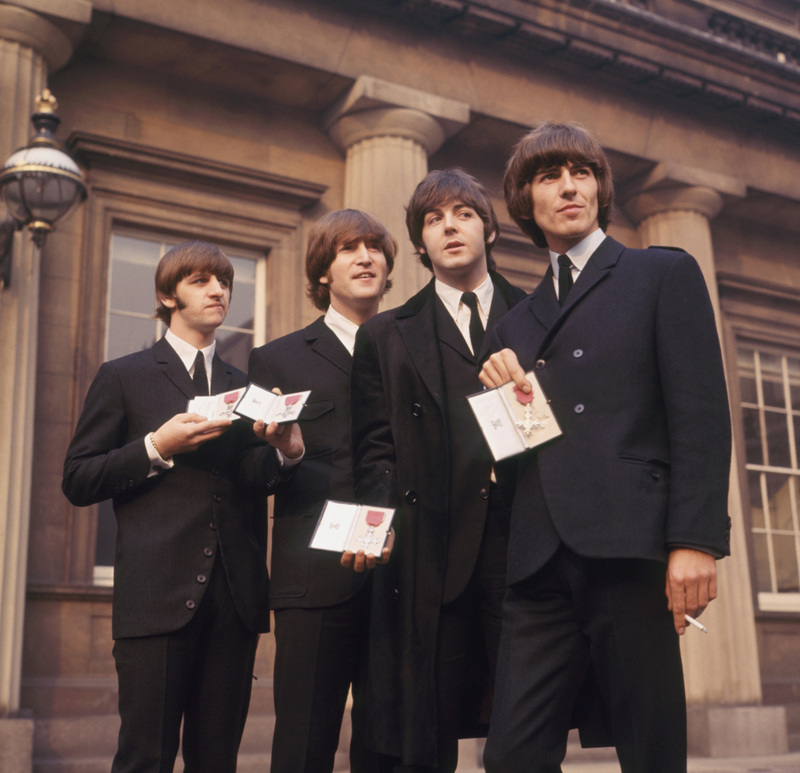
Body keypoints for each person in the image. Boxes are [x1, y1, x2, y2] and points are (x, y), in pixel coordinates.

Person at [479, 121, 732, 773]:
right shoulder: (513, 322)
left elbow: (699, 414)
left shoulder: (660, 273)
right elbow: (518, 455)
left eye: (582, 172)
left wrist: (696, 538)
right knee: (509, 756)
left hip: (630, 547)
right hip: (539, 563)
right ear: (525, 202)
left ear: (599, 188)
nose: (569, 186)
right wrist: (508, 403)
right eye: (549, 175)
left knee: (650, 752)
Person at [62, 241, 303, 773]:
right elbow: (77, 478)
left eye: (224, 282)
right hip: (155, 598)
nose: (219, 290)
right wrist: (156, 446)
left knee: (216, 761)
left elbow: (248, 479)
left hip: (235, 600)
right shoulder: (123, 375)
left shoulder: (247, 387)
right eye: (201, 281)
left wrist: (287, 453)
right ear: (168, 295)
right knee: (145, 758)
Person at [350, 169, 528, 772]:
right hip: (429, 552)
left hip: (523, 548)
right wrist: (372, 529)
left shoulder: (539, 317)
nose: (449, 225)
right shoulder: (384, 334)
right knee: (425, 734)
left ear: (490, 228)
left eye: (463, 213)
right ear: (420, 244)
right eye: (433, 219)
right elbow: (373, 448)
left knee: (528, 729)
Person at [247, 209, 396, 773]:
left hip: (402, 576)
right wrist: (288, 451)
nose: (365, 257)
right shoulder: (276, 358)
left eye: (374, 248)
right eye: (348, 249)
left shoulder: (413, 347)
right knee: (303, 745)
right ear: (323, 272)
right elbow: (250, 473)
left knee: (390, 747)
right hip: (312, 579)